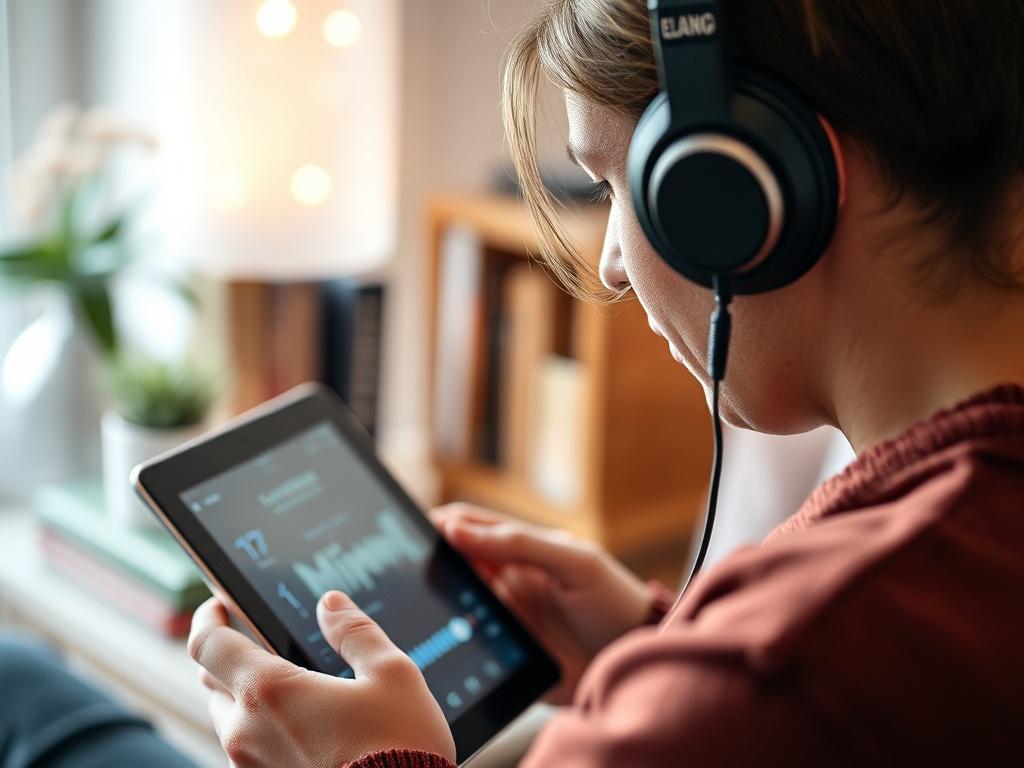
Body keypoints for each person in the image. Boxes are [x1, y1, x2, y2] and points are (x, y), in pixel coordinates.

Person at [4, 0, 1023, 765]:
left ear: (739, 196)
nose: (612, 264)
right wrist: (651, 649)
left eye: (617, 185)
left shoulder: (772, 674)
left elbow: (781, 704)